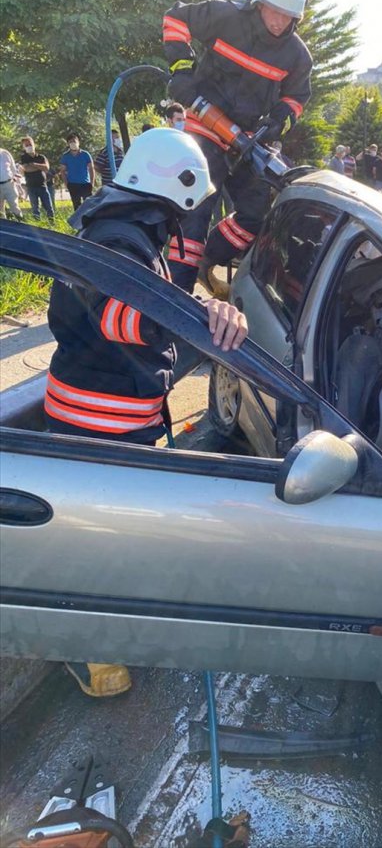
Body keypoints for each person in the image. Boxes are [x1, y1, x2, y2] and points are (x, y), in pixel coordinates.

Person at [45, 128, 248, 698]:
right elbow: (121, 319)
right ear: (176, 188)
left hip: (118, 419)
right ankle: (79, 650)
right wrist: (201, 315)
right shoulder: (116, 238)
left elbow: (155, 294)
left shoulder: (133, 228)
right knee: (91, 544)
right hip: (95, 424)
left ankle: (120, 622)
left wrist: (195, 299)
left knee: (116, 536)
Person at [162, 0, 312, 294]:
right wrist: (182, 69)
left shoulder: (297, 56)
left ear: (296, 17)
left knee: (257, 215)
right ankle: (176, 296)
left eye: (286, 15)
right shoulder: (224, 16)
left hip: (248, 141)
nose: (277, 20)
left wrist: (277, 123)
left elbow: (296, 98)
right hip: (204, 126)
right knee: (195, 210)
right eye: (272, 10)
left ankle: (206, 259)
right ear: (259, 2)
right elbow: (175, 18)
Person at [19, 137, 55, 221]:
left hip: (43, 186)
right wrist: (39, 167)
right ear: (23, 147)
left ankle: (52, 223)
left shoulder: (41, 157)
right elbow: (26, 169)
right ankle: (37, 224)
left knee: (49, 207)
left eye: (30, 144)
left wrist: (33, 164)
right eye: (26, 145)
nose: (29, 146)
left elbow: (46, 168)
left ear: (34, 145)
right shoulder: (24, 158)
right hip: (31, 187)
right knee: (35, 208)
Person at [60, 133, 95, 211]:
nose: (73, 143)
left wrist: (92, 183)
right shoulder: (65, 156)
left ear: (78, 142)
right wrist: (66, 184)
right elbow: (62, 171)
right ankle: (78, 222)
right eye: (70, 142)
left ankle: (90, 222)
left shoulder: (86, 154)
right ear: (68, 144)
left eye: (74, 141)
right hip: (73, 184)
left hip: (85, 184)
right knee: (77, 207)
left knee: (89, 206)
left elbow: (91, 169)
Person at [0, 148, 23, 219]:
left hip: (9, 184)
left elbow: (13, 168)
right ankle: (3, 228)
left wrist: (18, 185)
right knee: (0, 211)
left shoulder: (5, 153)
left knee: (14, 206)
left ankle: (20, 223)